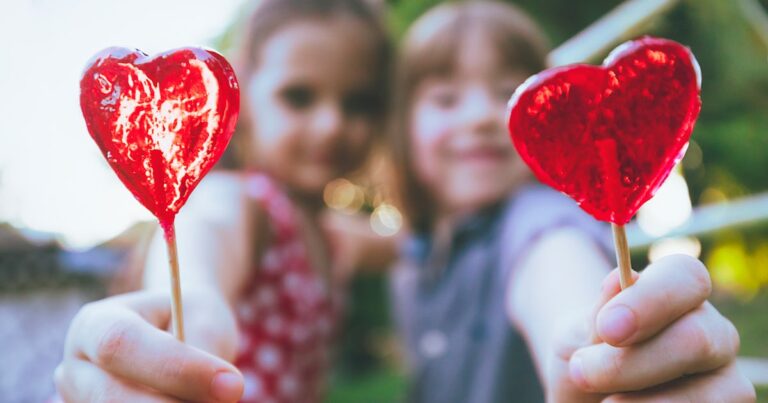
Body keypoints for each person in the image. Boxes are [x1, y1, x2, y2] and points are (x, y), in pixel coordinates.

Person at [387, 1, 756, 402]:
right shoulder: (417, 248)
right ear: (402, 129)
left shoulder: (539, 219)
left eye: (506, 92)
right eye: (445, 99)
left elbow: (558, 272)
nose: (479, 117)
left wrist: (593, 348)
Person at [55, 0, 392, 401]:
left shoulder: (333, 234)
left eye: (359, 103)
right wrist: (192, 310)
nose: (331, 124)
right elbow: (207, 233)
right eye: (298, 97)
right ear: (245, 97)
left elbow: (409, 243)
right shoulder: (243, 204)